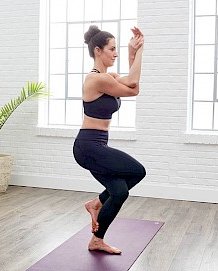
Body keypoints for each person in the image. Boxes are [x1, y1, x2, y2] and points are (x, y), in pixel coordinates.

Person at [72, 25, 145, 254]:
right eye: (112, 49)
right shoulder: (95, 80)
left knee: (120, 192)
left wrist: (132, 54)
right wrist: (139, 50)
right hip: (88, 146)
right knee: (137, 171)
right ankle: (96, 204)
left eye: (116, 50)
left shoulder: (109, 77)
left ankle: (96, 239)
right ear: (98, 51)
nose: (115, 54)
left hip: (97, 146)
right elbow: (133, 81)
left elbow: (133, 88)